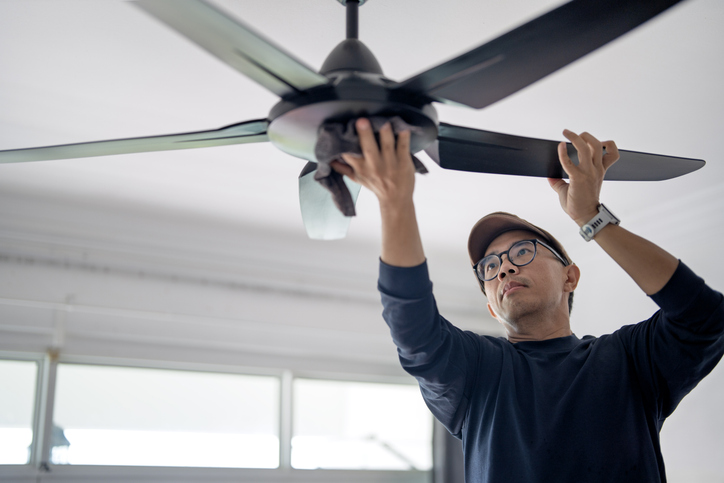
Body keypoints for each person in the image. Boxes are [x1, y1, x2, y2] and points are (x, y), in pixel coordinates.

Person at [331, 118, 724, 482]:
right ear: (490, 307)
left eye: (522, 252)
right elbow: (414, 331)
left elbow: (705, 316)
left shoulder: (628, 361)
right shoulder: (477, 372)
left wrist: (592, 217)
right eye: (489, 266)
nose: (502, 269)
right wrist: (395, 202)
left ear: (570, 276)